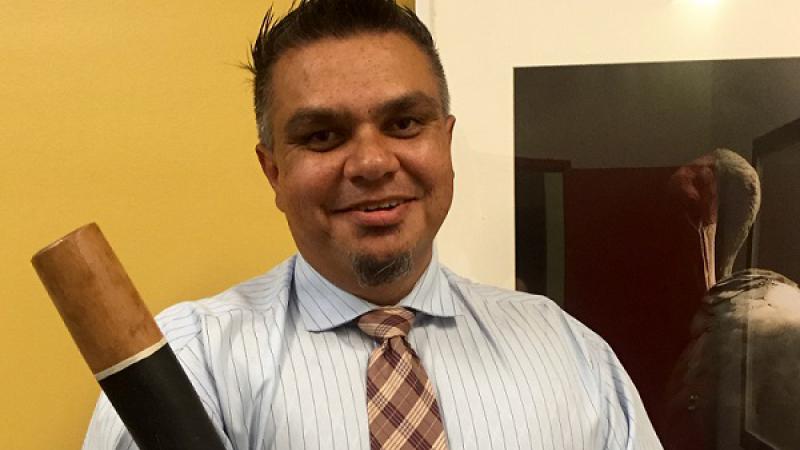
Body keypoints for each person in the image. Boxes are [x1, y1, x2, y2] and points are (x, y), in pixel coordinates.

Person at [84, 0, 662, 448]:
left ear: (446, 141)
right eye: (322, 136)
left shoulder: (569, 353)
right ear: (273, 171)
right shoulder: (186, 367)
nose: (372, 163)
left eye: (405, 122)